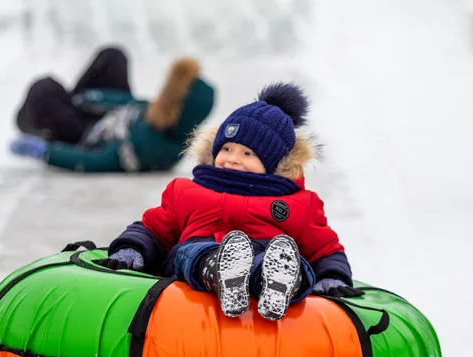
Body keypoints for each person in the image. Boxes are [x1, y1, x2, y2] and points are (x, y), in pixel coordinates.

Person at [96, 82, 363, 320]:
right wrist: (132, 250)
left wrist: (332, 277)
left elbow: (324, 247)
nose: (233, 158)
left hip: (266, 254)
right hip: (202, 254)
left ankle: (278, 282)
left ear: (273, 163)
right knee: (191, 253)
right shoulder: (187, 191)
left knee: (290, 259)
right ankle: (223, 275)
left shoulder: (296, 204)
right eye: (227, 149)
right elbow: (154, 228)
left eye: (248, 153)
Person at [9, 46, 215, 172]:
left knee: (44, 89)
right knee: (113, 56)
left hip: (84, 135)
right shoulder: (161, 115)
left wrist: (48, 153)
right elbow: (129, 104)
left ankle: (34, 126)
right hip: (102, 115)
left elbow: (98, 161)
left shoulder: (151, 148)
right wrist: (91, 99)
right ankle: (63, 106)